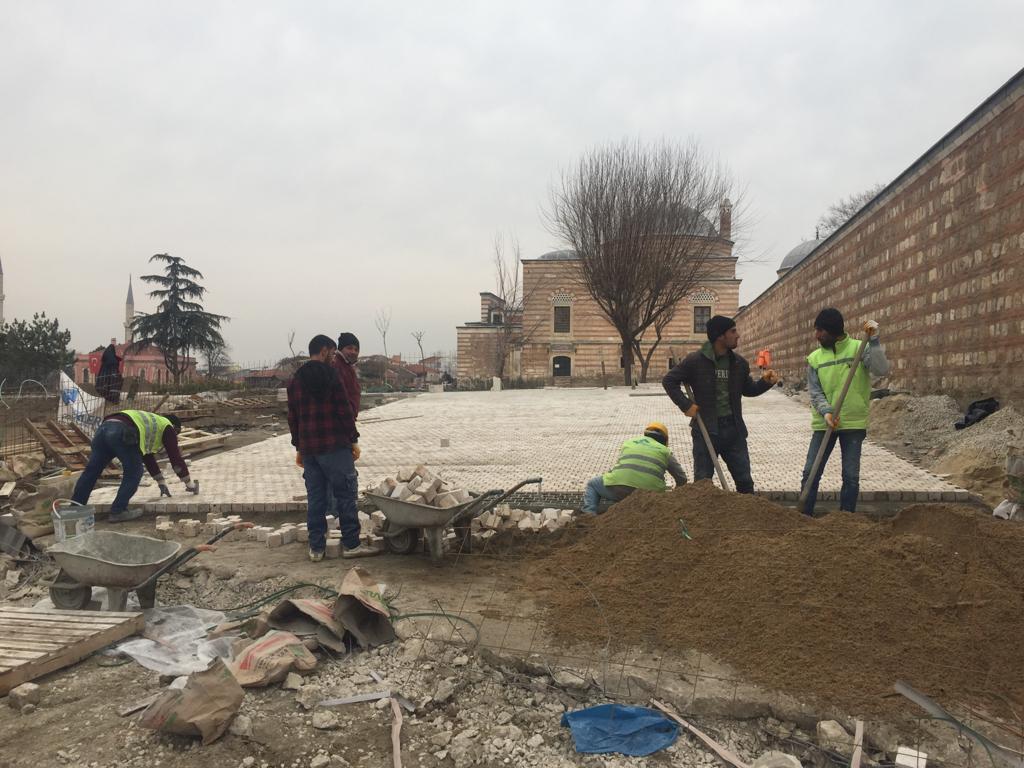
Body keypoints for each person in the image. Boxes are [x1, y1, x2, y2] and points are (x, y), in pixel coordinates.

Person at [662, 315, 779, 493]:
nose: (738, 335)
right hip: (706, 429)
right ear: (720, 336)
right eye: (733, 331)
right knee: (703, 485)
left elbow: (748, 390)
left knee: (745, 482)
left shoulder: (739, 363)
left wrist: (765, 383)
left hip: (734, 430)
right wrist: (686, 405)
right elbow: (669, 381)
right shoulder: (696, 361)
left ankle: (745, 518)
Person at [288, 334, 377, 561]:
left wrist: (299, 446)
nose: (333, 356)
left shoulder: (295, 380)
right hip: (335, 446)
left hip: (310, 449)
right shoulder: (332, 376)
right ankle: (351, 546)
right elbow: (344, 410)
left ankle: (316, 548)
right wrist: (353, 439)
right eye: (332, 351)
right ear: (325, 350)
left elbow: (293, 417)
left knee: (316, 499)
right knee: (346, 495)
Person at [799, 308, 890, 516]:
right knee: (810, 472)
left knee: (850, 476)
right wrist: (827, 412)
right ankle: (803, 517)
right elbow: (815, 392)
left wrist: (874, 340)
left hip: (852, 424)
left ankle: (846, 519)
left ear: (833, 331)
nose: (817, 335)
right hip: (825, 422)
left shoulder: (859, 349)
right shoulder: (814, 358)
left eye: (820, 331)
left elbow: (881, 370)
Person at [71, 410, 196, 522]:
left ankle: (75, 509)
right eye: (176, 433)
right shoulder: (167, 427)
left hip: (103, 429)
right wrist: (190, 484)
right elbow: (175, 457)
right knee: (134, 472)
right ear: (175, 427)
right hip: (121, 430)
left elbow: (147, 456)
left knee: (91, 472)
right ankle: (118, 511)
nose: (175, 437)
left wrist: (161, 481)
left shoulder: (150, 424)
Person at [581, 423, 688, 514]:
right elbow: (682, 478)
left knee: (592, 484)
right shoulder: (665, 451)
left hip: (619, 489)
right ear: (665, 440)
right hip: (650, 495)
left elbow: (621, 466)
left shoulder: (629, 443)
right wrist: (676, 495)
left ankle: (589, 514)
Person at [95, 338, 124, 404]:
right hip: (110, 379)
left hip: (109, 380)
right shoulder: (111, 363)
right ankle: (113, 400)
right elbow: (113, 360)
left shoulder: (108, 357)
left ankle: (113, 399)